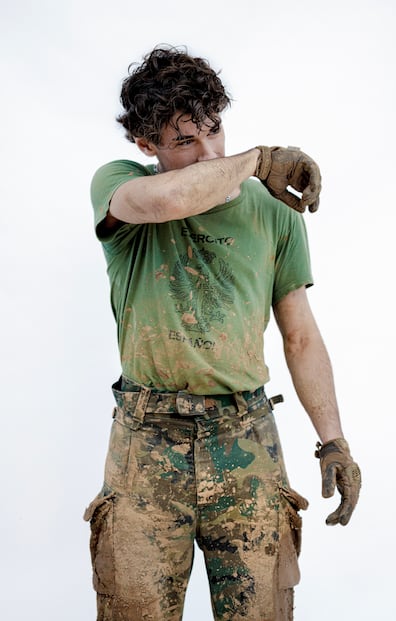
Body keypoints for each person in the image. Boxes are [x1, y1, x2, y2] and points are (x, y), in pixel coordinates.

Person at [84, 45, 361, 621]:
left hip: (246, 440)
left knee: (262, 611)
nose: (209, 150)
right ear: (146, 144)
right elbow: (170, 198)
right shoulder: (121, 188)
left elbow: (301, 337)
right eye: (184, 140)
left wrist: (334, 440)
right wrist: (258, 159)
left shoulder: (274, 213)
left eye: (214, 130)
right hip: (147, 441)